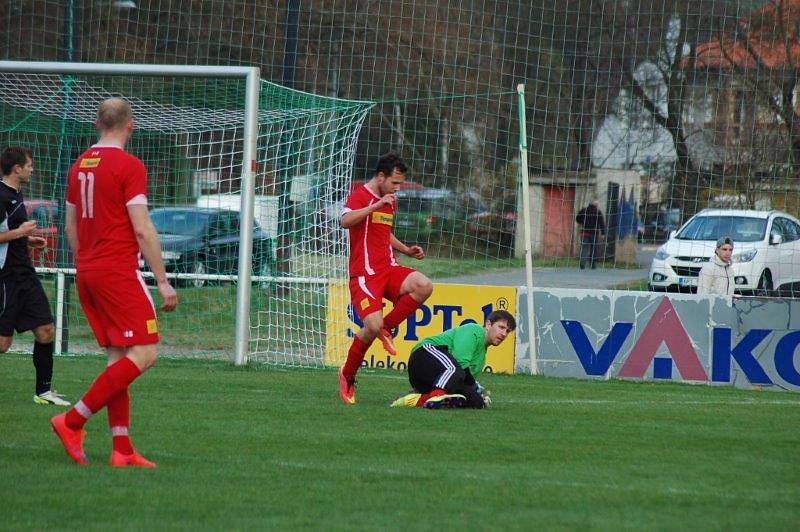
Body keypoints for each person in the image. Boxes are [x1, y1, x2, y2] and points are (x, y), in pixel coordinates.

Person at [50, 98, 178, 468]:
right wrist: (163, 281)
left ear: (96, 123)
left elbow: (71, 228)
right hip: (116, 272)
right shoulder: (128, 165)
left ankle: (121, 449)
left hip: (87, 270)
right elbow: (141, 227)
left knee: (118, 359)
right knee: (146, 352)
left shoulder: (78, 166)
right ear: (130, 125)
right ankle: (72, 420)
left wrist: (88, 261)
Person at [337, 151, 433, 405]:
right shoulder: (361, 195)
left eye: (400, 183)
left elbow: (382, 233)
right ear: (381, 177)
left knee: (424, 286)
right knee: (371, 326)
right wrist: (375, 206)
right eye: (395, 183)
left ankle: (387, 327)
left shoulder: (390, 200)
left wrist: (406, 250)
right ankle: (347, 375)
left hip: (388, 268)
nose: (398, 188)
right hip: (364, 274)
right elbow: (345, 221)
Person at [0, 147, 69, 406]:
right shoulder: (1, 195)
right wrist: (20, 234)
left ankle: (43, 392)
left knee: (45, 330)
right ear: (16, 168)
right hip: (6, 278)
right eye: (29, 165)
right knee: (3, 344)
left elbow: (9, 233)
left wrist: (28, 239)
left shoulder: (17, 195)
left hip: (25, 275)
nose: (32, 169)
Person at [390, 310, 516, 409]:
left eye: (508, 331)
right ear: (488, 324)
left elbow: (462, 381)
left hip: (431, 380)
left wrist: (477, 396)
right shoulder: (473, 330)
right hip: (423, 355)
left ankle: (415, 400)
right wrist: (475, 386)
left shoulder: (482, 359)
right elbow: (460, 363)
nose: (504, 334)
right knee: (457, 369)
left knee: (476, 402)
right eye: (501, 327)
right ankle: (436, 395)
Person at [576, 199, 605, 269]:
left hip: (585, 232)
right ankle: (592, 264)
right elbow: (601, 223)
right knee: (593, 249)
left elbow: (577, 219)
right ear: (595, 205)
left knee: (584, 248)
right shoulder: (598, 212)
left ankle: (582, 264)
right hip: (594, 233)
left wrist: (582, 222)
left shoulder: (584, 210)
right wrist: (603, 233)